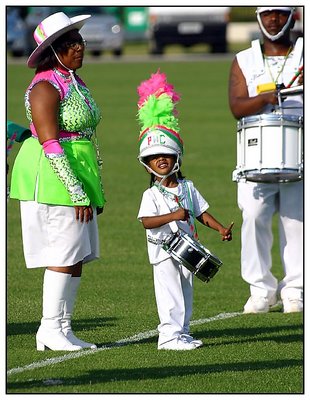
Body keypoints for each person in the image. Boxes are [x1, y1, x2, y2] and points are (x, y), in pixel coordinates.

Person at [10, 11, 106, 351]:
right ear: (52, 51)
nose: (78, 46)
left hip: (78, 170)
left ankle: (63, 327)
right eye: (68, 43)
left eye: (78, 40)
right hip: (52, 175)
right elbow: (50, 143)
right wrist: (77, 192)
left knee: (78, 253)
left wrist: (91, 187)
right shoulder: (45, 86)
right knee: (63, 251)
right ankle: (48, 328)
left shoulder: (73, 80)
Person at [136, 71, 233, 350]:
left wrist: (220, 229)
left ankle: (183, 331)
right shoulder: (151, 193)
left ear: (177, 157)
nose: (161, 160)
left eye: (165, 155)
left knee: (185, 292)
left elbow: (201, 212)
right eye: (154, 158)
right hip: (163, 252)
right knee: (170, 295)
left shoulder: (187, 186)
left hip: (187, 250)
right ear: (147, 163)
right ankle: (168, 336)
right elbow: (146, 222)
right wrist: (173, 216)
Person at [228, 7, 303, 314]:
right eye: (268, 13)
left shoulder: (303, 54)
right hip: (255, 155)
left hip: (298, 151)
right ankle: (261, 289)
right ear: (259, 17)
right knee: (253, 218)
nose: (274, 20)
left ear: (293, 16)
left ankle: (295, 289)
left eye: (281, 14)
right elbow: (236, 106)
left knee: (297, 223)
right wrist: (265, 98)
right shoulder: (243, 60)